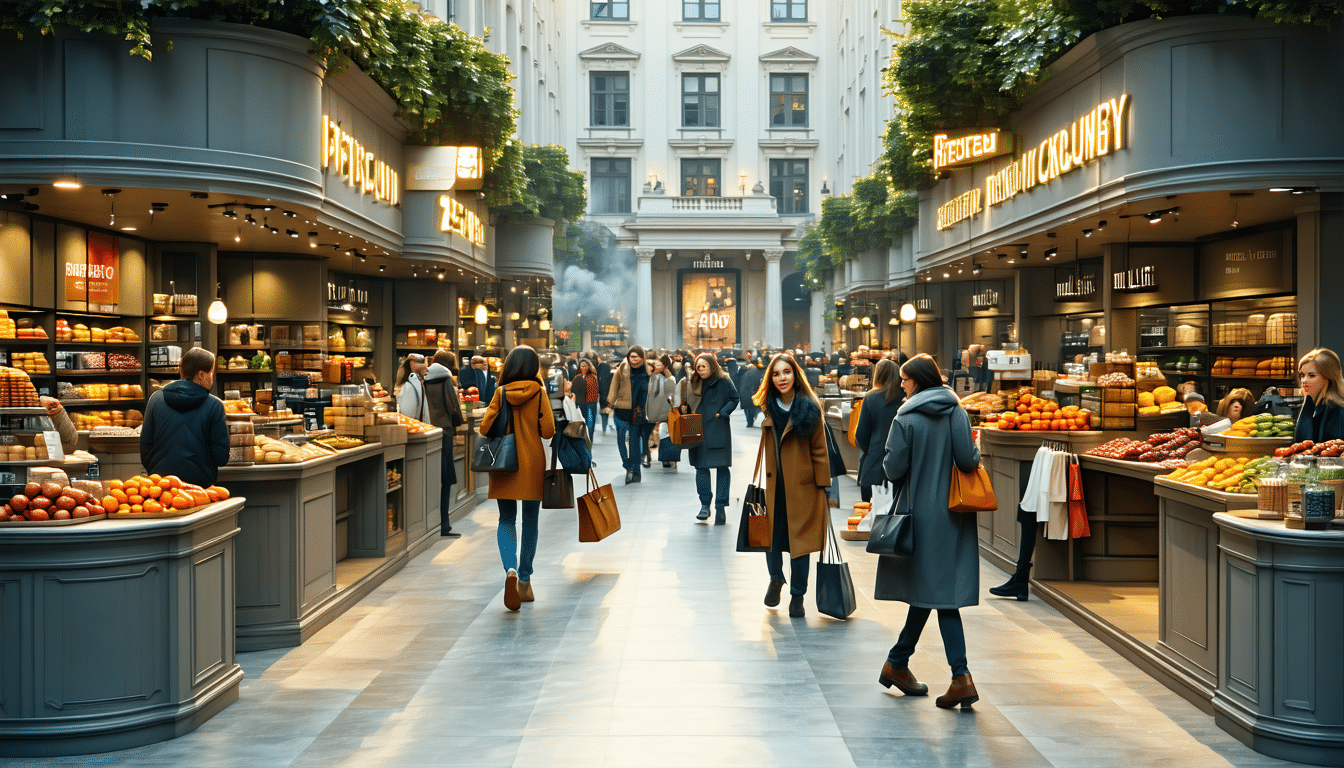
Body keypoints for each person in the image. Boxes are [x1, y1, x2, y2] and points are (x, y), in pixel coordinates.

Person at [877, 354, 983, 709]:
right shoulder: (956, 411)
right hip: (953, 516)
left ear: (918, 381)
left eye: (905, 379)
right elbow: (968, 460)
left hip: (917, 515)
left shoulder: (904, 417)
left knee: (935, 593)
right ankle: (905, 664)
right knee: (937, 592)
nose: (902, 384)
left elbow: (893, 469)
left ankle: (954, 675)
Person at [478, 345, 555, 611]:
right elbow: (548, 431)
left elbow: (484, 427)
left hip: (503, 462)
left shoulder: (500, 393)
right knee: (530, 521)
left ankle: (509, 568)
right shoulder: (539, 392)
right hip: (531, 462)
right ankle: (524, 579)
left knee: (506, 519)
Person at [754, 352, 829, 617]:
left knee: (800, 543)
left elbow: (820, 450)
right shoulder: (768, 405)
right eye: (776, 374)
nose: (781, 378)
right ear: (770, 378)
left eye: (786, 372)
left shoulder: (809, 407)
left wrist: (824, 488)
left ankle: (798, 595)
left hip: (803, 486)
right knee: (770, 538)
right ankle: (776, 578)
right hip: (773, 485)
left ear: (795, 374)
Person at [139, 347, 229, 489]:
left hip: (161, 485)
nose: (212, 376)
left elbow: (145, 448)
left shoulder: (156, 399)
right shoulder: (214, 405)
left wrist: (159, 469)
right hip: (200, 487)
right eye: (211, 372)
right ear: (200, 375)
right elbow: (221, 457)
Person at [679, 353, 739, 523]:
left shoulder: (724, 380)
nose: (700, 370)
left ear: (712, 366)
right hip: (697, 430)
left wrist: (723, 412)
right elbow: (684, 401)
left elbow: (735, 398)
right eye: (698, 367)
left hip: (718, 428)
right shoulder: (692, 382)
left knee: (721, 468)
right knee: (701, 468)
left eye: (703, 366)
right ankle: (705, 505)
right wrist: (684, 409)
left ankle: (720, 507)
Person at [424, 349, 466, 538]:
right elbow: (453, 407)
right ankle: (444, 524)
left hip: (428, 430)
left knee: (432, 478)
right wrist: (457, 423)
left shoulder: (422, 378)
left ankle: (432, 523)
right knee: (446, 478)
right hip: (445, 431)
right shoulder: (445, 379)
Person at [855, 359, 904, 505]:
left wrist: (871, 450)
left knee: (872, 514)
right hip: (901, 468)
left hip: (874, 467)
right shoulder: (905, 398)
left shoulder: (871, 398)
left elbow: (861, 436)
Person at [606, 346, 653, 484]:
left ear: (642, 357)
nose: (634, 360)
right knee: (621, 440)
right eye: (631, 356)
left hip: (638, 412)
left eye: (636, 356)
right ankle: (627, 466)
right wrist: (609, 404)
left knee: (634, 442)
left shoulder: (648, 371)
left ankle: (635, 470)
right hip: (622, 410)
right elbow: (614, 388)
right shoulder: (622, 369)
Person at [1295, 348, 1344, 443]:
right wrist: (1308, 402)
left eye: (1311, 375)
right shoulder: (1314, 407)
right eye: (1302, 375)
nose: (1304, 381)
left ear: (1328, 378)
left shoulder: (1339, 411)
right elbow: (1301, 445)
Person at [644, 356, 675, 469]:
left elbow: (671, 390)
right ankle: (647, 457)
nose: (657, 367)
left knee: (664, 434)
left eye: (659, 365)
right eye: (655, 365)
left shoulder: (667, 377)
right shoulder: (649, 376)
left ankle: (666, 458)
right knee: (647, 435)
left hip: (664, 410)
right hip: (649, 410)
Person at [395, 353, 429, 421]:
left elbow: (407, 412)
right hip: (416, 424)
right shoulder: (414, 383)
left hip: (411, 423)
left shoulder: (409, 384)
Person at [571, 358, 600, 436]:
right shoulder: (577, 376)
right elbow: (573, 388)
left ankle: (589, 440)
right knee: (581, 422)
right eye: (581, 366)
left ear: (589, 366)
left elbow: (596, 390)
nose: (583, 367)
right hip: (580, 403)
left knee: (590, 423)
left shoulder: (593, 377)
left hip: (590, 402)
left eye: (585, 365)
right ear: (579, 367)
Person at [738, 359, 764, 427]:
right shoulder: (763, 372)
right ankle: (752, 420)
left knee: (749, 409)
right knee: (755, 409)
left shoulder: (747, 373)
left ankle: (750, 422)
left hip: (747, 394)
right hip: (756, 394)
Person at [596, 354, 614, 434]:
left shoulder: (599, 379)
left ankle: (604, 427)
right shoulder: (611, 376)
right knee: (612, 412)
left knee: (604, 414)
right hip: (611, 397)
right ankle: (611, 425)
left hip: (602, 398)